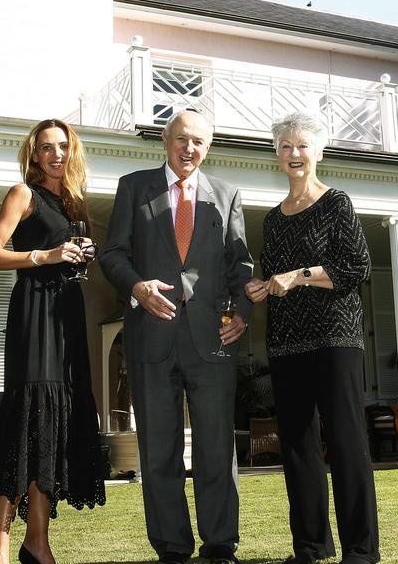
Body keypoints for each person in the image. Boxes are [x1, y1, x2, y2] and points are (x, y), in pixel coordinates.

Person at [99, 109, 253, 564]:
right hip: (152, 337)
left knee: (216, 448)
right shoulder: (134, 187)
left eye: (199, 142)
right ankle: (171, 545)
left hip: (213, 341)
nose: (190, 149)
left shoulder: (226, 195)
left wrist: (241, 311)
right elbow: (113, 253)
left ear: (208, 147)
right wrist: (136, 286)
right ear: (166, 141)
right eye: (182, 139)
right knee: (159, 450)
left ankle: (220, 543)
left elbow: (239, 265)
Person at [245, 111, 380, 564]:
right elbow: (274, 276)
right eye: (285, 146)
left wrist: (298, 276)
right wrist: (262, 287)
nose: (294, 154)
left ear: (318, 152)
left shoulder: (336, 203)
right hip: (285, 343)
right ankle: (311, 546)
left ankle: (360, 550)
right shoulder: (272, 219)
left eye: (302, 145)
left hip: (335, 339)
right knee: (298, 447)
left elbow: (355, 268)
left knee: (345, 441)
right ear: (276, 155)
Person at [0, 119, 105, 564]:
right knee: (28, 418)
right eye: (47, 147)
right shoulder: (23, 194)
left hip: (66, 312)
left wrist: (80, 252)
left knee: (52, 425)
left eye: (64, 147)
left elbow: (70, 255)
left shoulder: (72, 202)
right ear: (34, 154)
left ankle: (39, 541)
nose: (56, 154)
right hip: (33, 310)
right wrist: (44, 255)